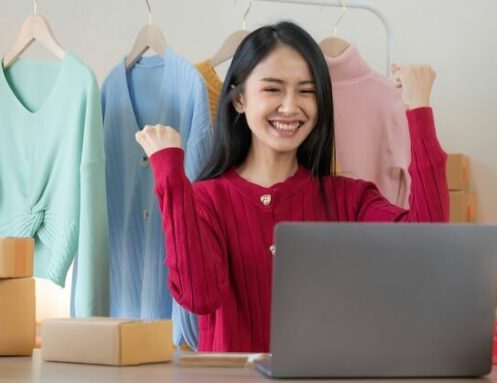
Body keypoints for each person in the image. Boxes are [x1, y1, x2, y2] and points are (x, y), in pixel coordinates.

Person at [135, 21, 449, 352]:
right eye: (272, 89)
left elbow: (428, 249)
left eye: (306, 91)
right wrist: (170, 174)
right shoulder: (206, 200)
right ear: (239, 99)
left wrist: (419, 110)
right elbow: (199, 297)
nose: (290, 106)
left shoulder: (349, 199)